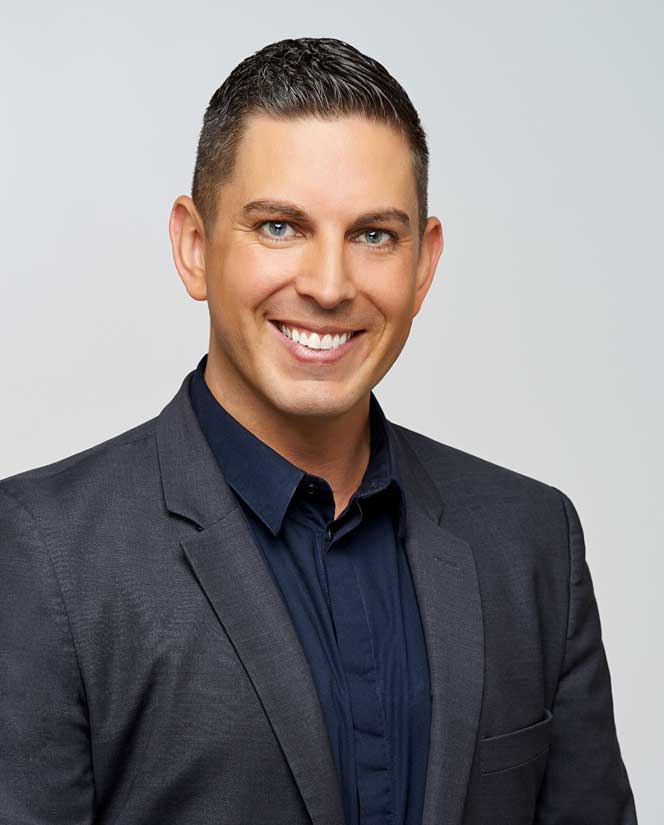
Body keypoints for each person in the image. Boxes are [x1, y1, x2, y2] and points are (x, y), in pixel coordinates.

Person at [0, 37, 637, 825]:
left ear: (423, 264)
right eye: (280, 226)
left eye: (373, 235)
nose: (330, 285)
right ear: (194, 246)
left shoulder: (532, 540)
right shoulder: (42, 557)